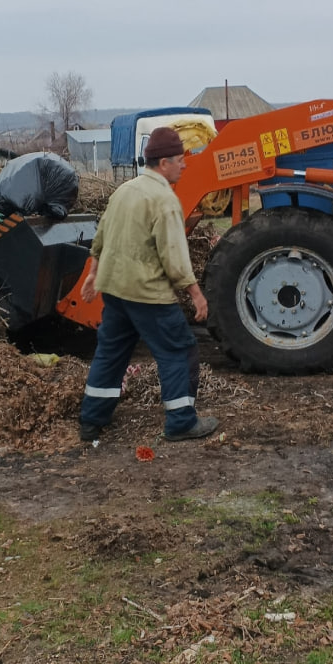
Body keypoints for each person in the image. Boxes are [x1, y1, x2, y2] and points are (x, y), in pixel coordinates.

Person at [78, 126, 219, 443]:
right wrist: (196, 294)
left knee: (111, 353)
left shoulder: (124, 191)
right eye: (180, 160)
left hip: (115, 291)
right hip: (148, 295)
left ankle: (91, 421)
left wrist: (92, 273)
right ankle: (182, 421)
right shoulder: (164, 200)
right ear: (164, 163)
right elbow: (174, 257)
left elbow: (101, 237)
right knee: (179, 351)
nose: (185, 165)